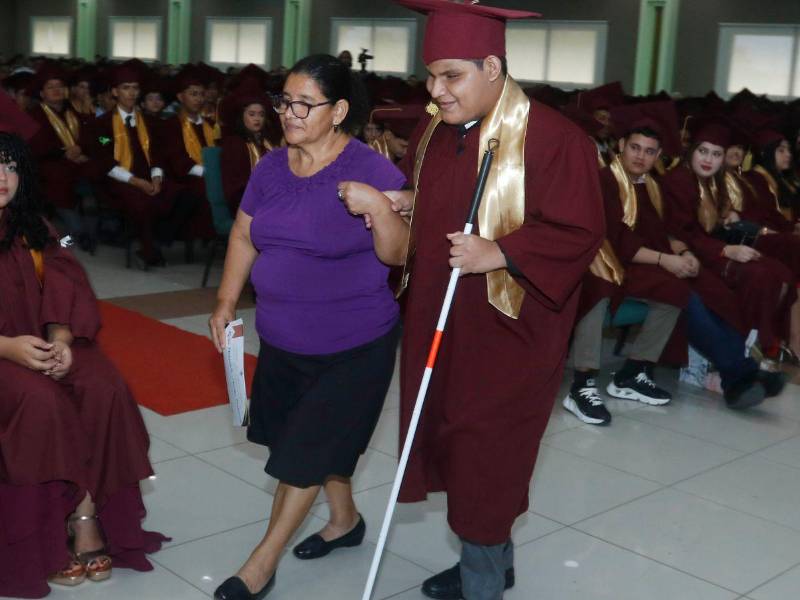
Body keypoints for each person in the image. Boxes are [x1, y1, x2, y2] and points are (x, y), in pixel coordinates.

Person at [353, 2, 604, 598]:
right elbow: (438, 191)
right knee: (450, 439)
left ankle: (483, 582)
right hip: (437, 315)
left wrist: (500, 252)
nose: (435, 91)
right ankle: (489, 560)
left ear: (492, 65)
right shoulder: (434, 131)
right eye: (430, 77)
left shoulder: (554, 138)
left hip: (507, 330)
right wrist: (412, 200)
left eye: (451, 76)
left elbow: (579, 229)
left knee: (489, 452)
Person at [208, 54, 406, 600]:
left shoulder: (373, 169)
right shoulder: (271, 167)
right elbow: (245, 237)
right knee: (311, 443)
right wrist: (226, 300)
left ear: (339, 110)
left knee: (301, 458)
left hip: (354, 343)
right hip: (283, 339)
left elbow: (399, 254)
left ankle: (259, 566)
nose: (288, 113)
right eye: (284, 101)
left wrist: (379, 208)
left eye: (303, 104)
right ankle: (344, 520)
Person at [0, 110, 166, 599]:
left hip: (44, 341)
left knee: (102, 384)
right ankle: (48, 531)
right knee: (41, 402)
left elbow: (66, 281)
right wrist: (9, 347)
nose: (1, 177)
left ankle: (86, 512)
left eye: (9, 165)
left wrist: (62, 341)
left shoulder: (36, 225)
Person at [564, 109, 780, 426]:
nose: (641, 156)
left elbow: (660, 229)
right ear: (621, 145)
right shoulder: (605, 180)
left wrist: (681, 251)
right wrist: (667, 259)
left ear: (659, 155)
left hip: (636, 263)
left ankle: (633, 373)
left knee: (681, 289)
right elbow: (617, 238)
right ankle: (582, 385)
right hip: (601, 262)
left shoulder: (648, 185)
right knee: (605, 287)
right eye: (635, 148)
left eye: (650, 151)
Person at [662, 124, 800, 360]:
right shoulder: (679, 180)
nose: (708, 159)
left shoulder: (712, 182)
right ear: (691, 151)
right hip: (690, 254)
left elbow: (711, 226)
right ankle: (747, 348)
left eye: (716, 154)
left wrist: (729, 223)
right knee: (760, 275)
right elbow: (685, 234)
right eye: (703, 151)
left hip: (710, 249)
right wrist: (727, 250)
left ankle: (761, 343)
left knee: (780, 272)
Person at [83, 65, 169, 267]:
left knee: (176, 194)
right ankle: (147, 248)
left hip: (147, 176)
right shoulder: (101, 125)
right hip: (115, 180)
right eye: (125, 87)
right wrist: (136, 181)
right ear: (115, 92)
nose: (131, 93)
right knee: (141, 200)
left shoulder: (149, 122)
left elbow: (157, 153)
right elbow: (105, 160)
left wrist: (156, 177)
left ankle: (155, 240)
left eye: (135, 88)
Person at [26, 62, 93, 236]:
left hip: (79, 160)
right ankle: (73, 226)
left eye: (60, 86)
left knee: (101, 166)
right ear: (42, 93)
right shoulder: (34, 115)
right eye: (50, 87)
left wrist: (81, 148)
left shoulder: (74, 112)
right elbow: (37, 145)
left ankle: (97, 217)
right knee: (58, 176)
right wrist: (65, 152)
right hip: (48, 164)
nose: (56, 90)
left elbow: (100, 137)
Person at [219, 84, 275, 215]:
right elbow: (235, 185)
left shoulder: (267, 142)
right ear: (241, 116)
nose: (257, 119)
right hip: (243, 201)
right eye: (252, 114)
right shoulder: (234, 143)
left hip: (269, 196)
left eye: (261, 115)